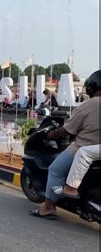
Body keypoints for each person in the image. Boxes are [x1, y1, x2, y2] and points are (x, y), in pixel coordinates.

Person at [30, 70, 100, 219]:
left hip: (82, 147)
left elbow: (68, 129)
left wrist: (53, 134)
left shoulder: (89, 104)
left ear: (92, 87)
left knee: (55, 170)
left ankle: (48, 207)